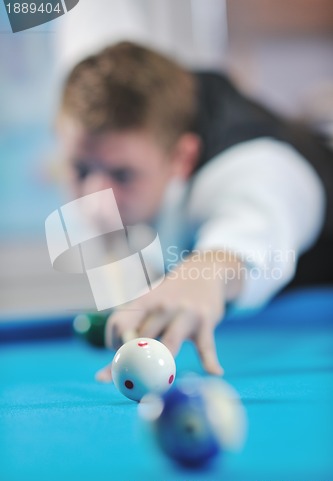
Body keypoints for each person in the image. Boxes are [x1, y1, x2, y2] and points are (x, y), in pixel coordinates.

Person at [57, 41, 333, 380]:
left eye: (123, 175)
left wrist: (202, 273)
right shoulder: (145, 148)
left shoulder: (253, 167)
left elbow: (257, 222)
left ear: (181, 159)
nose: (94, 197)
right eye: (80, 169)